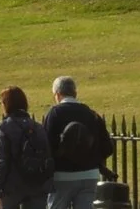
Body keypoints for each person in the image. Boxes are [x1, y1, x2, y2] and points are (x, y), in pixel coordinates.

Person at [41, 75, 114, 209]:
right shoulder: (91, 114)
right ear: (75, 93)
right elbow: (107, 147)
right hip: (90, 174)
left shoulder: (54, 113)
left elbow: (46, 145)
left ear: (57, 94)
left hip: (61, 175)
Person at [0, 85, 54, 209]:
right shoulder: (37, 127)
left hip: (12, 185)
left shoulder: (4, 127)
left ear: (6, 104)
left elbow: (2, 161)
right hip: (36, 182)